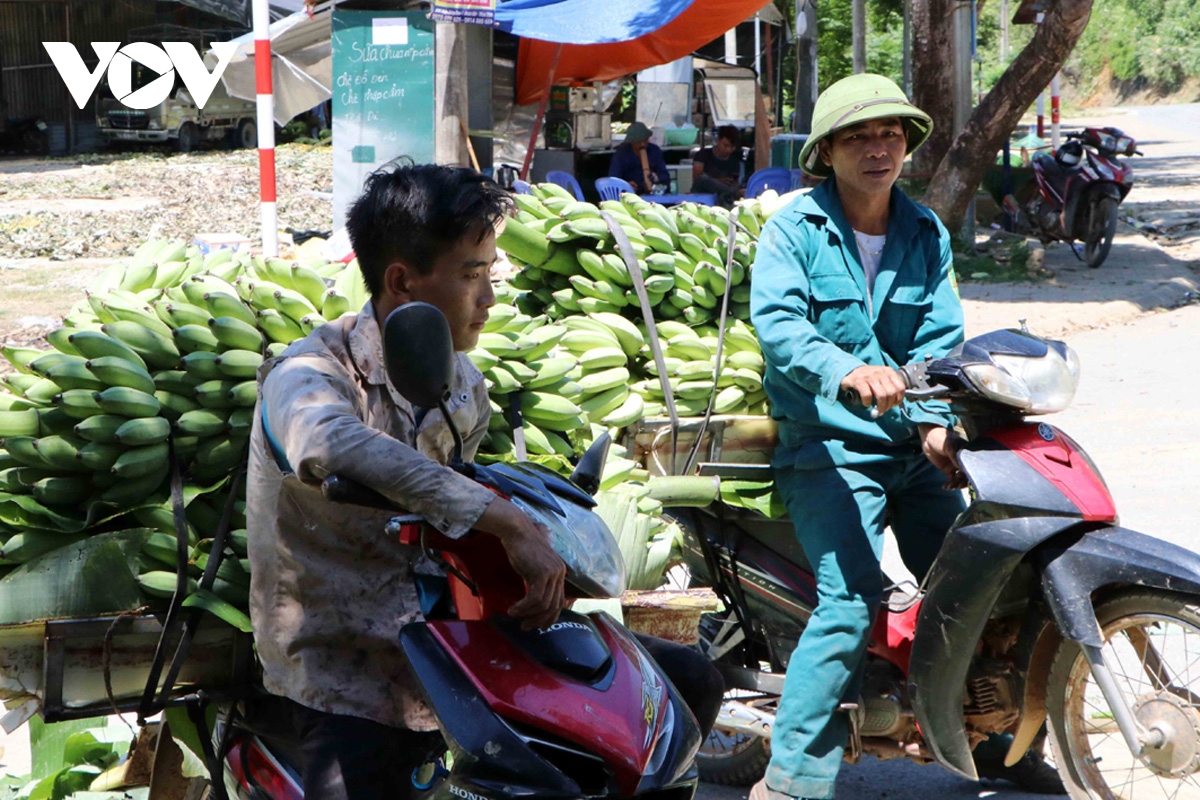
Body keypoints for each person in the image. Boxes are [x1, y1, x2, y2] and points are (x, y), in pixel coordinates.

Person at [247, 161, 722, 800]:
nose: (490, 297)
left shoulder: (461, 383)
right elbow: (330, 445)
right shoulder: (308, 374)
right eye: (472, 275)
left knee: (684, 686)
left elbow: (459, 483)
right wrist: (503, 521)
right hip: (346, 661)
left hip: (453, 642)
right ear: (401, 282)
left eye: (490, 272)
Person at [748, 75, 1065, 800]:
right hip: (825, 447)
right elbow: (782, 329)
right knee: (850, 601)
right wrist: (848, 370)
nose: (878, 147)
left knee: (985, 587)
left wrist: (933, 427)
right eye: (859, 135)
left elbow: (939, 339)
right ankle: (793, 779)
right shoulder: (794, 230)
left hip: (906, 449)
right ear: (826, 151)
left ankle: (1003, 751)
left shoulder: (922, 230)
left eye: (890, 133)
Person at [610, 120, 669, 193]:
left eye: (645, 140)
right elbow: (613, 178)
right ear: (632, 142)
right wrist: (626, 185)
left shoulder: (655, 151)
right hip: (630, 195)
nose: (642, 144)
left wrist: (656, 177)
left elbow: (665, 175)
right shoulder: (621, 154)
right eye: (638, 142)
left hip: (652, 194)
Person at [692, 124, 744, 206]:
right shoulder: (703, 154)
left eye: (732, 147)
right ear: (718, 140)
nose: (728, 150)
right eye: (725, 145)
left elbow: (735, 181)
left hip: (724, 196)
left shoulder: (734, 160)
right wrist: (718, 181)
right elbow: (697, 177)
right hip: (703, 193)